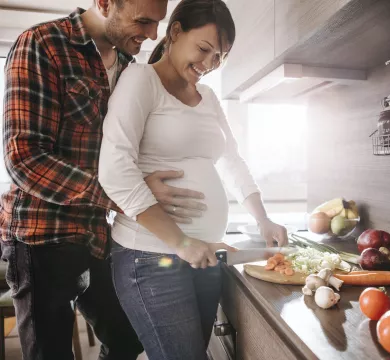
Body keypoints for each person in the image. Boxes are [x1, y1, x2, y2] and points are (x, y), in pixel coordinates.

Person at [1, 1, 207, 359]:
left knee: (129, 337)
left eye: (158, 23)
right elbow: (25, 159)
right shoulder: (42, 43)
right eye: (143, 21)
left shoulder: (130, 68)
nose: (153, 34)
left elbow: (121, 155)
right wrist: (126, 195)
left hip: (95, 234)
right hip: (40, 237)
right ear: (105, 3)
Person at [98, 0, 289, 359]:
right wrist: (181, 241)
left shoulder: (210, 98)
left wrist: (263, 219)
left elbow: (232, 160)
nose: (208, 64)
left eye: (219, 57)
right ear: (174, 32)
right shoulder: (141, 79)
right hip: (150, 256)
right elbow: (114, 169)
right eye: (203, 49)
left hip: (204, 255)